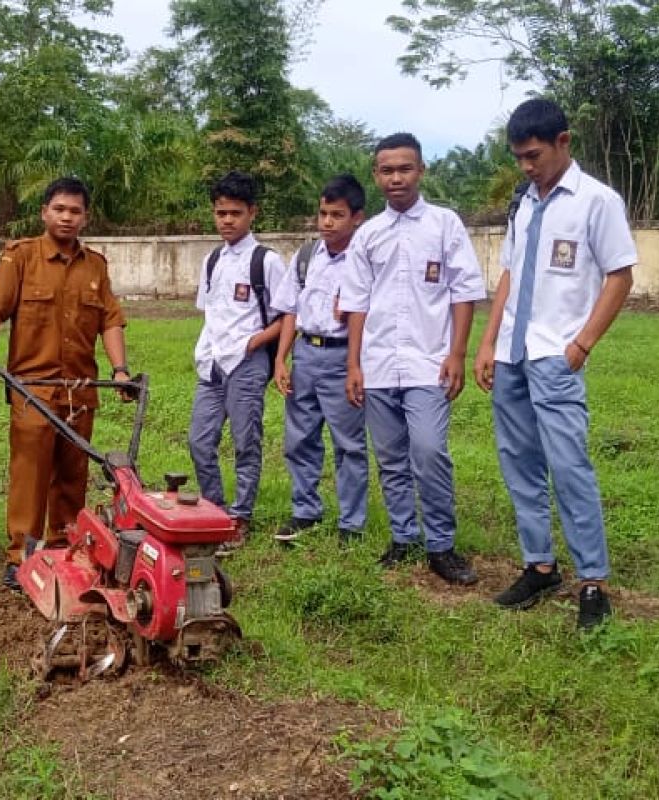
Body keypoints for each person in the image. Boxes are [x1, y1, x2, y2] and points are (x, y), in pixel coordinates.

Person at [474, 98, 636, 630]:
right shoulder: (523, 203)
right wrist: (487, 342)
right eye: (519, 157)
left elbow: (619, 276)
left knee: (568, 467)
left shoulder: (596, 202)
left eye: (534, 155)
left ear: (564, 142)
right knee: (519, 464)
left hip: (556, 356)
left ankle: (592, 580)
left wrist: (582, 345)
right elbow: (510, 277)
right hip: (513, 357)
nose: (526, 165)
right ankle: (540, 565)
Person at [0, 177, 129, 589]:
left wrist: (120, 370)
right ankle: (22, 555)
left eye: (75, 211)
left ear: (85, 217)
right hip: (31, 390)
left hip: (80, 389)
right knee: (30, 474)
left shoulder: (96, 266)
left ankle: (64, 545)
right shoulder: (21, 257)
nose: (67, 217)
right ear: (44, 212)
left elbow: (110, 319)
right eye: (59, 209)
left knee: (73, 473)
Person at [338, 133, 485, 586]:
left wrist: (457, 353)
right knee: (391, 458)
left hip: (429, 362)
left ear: (421, 170)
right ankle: (404, 538)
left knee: (428, 450)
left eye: (405, 168)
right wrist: (354, 364)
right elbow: (357, 302)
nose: (396, 177)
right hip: (379, 363)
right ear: (376, 175)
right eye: (387, 170)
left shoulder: (444, 225)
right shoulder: (368, 235)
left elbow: (464, 292)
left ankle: (441, 545)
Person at [188, 171, 287, 554]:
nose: (226, 220)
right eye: (220, 212)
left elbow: (285, 317)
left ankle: (240, 517)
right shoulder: (212, 260)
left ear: (252, 214)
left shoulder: (266, 261)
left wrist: (253, 345)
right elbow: (210, 312)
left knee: (246, 441)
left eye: (235, 213)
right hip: (212, 363)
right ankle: (214, 508)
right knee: (199, 440)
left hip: (247, 363)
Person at [271, 174, 369, 546]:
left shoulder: (364, 259)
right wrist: (282, 358)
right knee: (300, 438)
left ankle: (351, 523)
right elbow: (290, 311)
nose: (327, 222)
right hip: (306, 355)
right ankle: (305, 511)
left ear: (356, 217)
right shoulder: (307, 256)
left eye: (337, 215)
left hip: (343, 355)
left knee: (349, 444)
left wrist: (354, 363)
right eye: (323, 213)